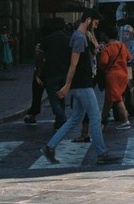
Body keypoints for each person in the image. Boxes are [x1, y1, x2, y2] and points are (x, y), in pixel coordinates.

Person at [40, 9, 121, 166]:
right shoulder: (78, 37)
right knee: (96, 118)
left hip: (80, 84)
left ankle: (49, 147)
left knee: (75, 118)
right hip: (82, 84)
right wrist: (67, 85)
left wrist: (96, 49)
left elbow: (82, 59)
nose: (96, 27)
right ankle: (102, 153)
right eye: (96, 23)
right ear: (89, 20)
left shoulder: (81, 37)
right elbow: (73, 63)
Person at [30, 18, 70, 130]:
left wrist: (38, 73)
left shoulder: (47, 40)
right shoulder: (68, 40)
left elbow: (40, 58)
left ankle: (62, 118)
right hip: (64, 73)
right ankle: (59, 122)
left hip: (51, 73)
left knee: (53, 99)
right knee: (61, 97)